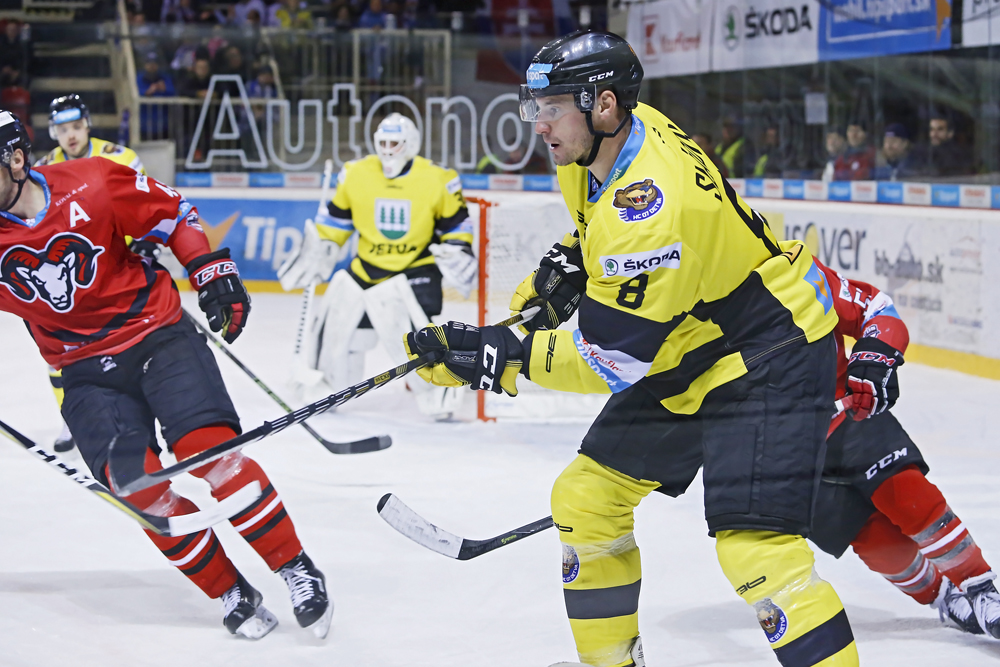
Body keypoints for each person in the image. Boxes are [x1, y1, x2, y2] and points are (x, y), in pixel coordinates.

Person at [404, 31, 857, 667]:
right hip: (692, 340)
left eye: (552, 108)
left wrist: (499, 355)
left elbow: (608, 360)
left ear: (604, 104)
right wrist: (570, 266)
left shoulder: (650, 208)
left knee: (757, 552)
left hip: (768, 348)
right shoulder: (605, 142)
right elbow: (604, 232)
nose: (539, 124)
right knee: (586, 501)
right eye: (536, 107)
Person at [0, 110, 332, 640]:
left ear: (16, 160)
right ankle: (230, 589)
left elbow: (173, 212)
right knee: (136, 487)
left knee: (211, 453)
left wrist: (209, 269)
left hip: (156, 334)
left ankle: (294, 566)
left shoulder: (91, 181)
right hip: (83, 371)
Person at [809, 257, 1000, 639]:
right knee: (870, 538)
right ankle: (943, 597)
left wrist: (874, 353)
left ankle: (980, 588)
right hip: (776, 448)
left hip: (845, 412)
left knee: (907, 493)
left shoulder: (793, 266)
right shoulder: (694, 297)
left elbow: (875, 307)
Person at [277, 113, 475, 421]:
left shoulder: (438, 178)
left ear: (411, 144)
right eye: (382, 143)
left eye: (394, 143)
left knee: (416, 338)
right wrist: (321, 246)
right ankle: (327, 387)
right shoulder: (356, 173)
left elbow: (456, 224)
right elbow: (337, 221)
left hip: (414, 269)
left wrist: (457, 248)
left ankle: (438, 393)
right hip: (366, 268)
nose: (387, 150)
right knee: (339, 315)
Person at [36, 94, 146, 452]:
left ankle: (149, 413)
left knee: (136, 346)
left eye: (76, 126)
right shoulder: (41, 171)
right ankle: (73, 418)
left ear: (87, 125)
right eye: (62, 129)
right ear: (53, 132)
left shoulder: (121, 158)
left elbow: (145, 205)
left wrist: (146, 243)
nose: (70, 135)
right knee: (61, 352)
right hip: (72, 278)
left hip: (120, 270)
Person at [924, 113, 972, 177]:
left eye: (940, 129)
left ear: (950, 133)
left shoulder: (959, 156)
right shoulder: (921, 151)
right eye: (932, 129)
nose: (934, 134)